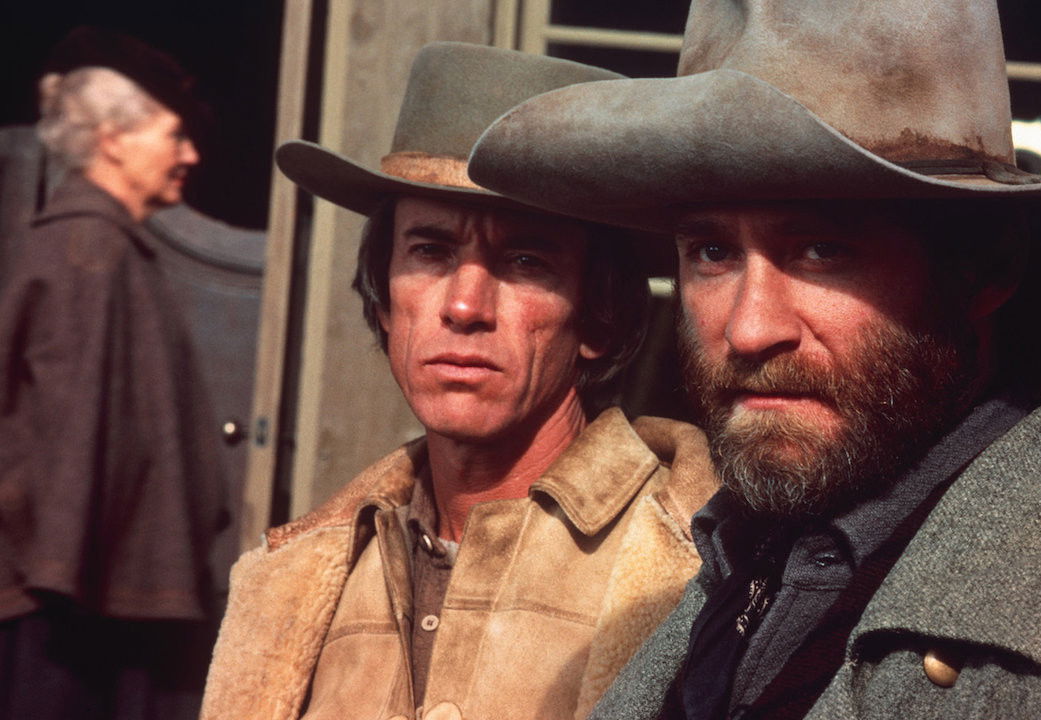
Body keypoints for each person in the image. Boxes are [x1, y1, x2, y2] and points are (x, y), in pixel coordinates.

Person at [468, 0, 1041, 716]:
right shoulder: (749, 556)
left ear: (985, 267)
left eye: (822, 249)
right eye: (712, 251)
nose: (749, 329)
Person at [199, 43, 718, 720]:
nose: (465, 306)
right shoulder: (304, 577)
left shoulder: (693, 569)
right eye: (430, 251)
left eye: (525, 260)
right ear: (385, 304)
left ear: (599, 316)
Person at [0, 27, 225, 720]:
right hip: (76, 616)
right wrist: (60, 577)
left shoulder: (103, 246)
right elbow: (67, 435)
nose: (190, 155)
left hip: (95, 599)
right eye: (173, 135)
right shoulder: (87, 250)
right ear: (113, 139)